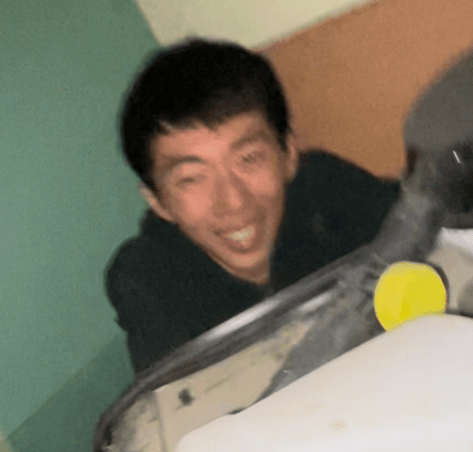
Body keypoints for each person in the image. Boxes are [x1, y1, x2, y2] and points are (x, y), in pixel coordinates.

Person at [105, 38, 400, 374]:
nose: (233, 201)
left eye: (248, 159)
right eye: (192, 178)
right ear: (158, 202)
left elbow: (425, 230)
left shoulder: (326, 186)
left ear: (289, 155)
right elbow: (180, 397)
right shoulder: (147, 276)